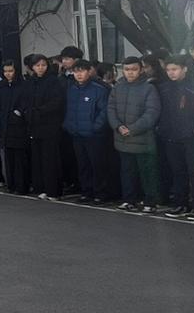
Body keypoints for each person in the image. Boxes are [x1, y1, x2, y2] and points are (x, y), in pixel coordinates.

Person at [107, 56, 162, 212]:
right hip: (122, 139)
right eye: (126, 69)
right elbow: (110, 109)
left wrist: (133, 128)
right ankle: (129, 199)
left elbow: (152, 113)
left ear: (141, 70)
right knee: (127, 171)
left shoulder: (149, 88)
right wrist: (118, 126)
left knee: (147, 172)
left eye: (134, 69)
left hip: (143, 139)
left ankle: (150, 202)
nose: (130, 73)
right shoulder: (117, 88)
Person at [158, 56, 194, 218]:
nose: (171, 73)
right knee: (178, 171)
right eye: (168, 70)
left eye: (175, 69)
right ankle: (180, 203)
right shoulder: (164, 88)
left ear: (184, 69)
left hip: (191, 136)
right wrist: (163, 130)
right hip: (171, 136)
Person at [21, 54, 67, 201]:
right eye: (37, 65)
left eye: (43, 65)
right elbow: (24, 100)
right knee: (38, 158)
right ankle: (41, 188)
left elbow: (57, 101)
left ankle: (53, 190)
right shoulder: (30, 82)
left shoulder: (53, 81)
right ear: (32, 67)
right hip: (34, 124)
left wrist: (40, 111)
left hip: (50, 124)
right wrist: (27, 112)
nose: (40, 68)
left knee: (51, 158)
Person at [63, 59, 110, 203]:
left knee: (97, 165)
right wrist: (69, 126)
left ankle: (100, 193)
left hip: (94, 135)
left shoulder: (99, 89)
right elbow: (68, 110)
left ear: (89, 71)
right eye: (76, 71)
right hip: (77, 133)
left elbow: (104, 111)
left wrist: (96, 127)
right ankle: (86, 192)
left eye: (82, 71)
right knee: (83, 165)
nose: (79, 74)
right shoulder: (71, 89)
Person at [0, 59, 30, 194]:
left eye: (11, 71)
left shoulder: (23, 85)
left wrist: (19, 112)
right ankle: (11, 184)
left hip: (19, 126)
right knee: (8, 157)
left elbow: (26, 102)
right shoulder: (0, 86)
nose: (8, 74)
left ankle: (22, 185)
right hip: (5, 125)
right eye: (5, 71)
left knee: (20, 157)